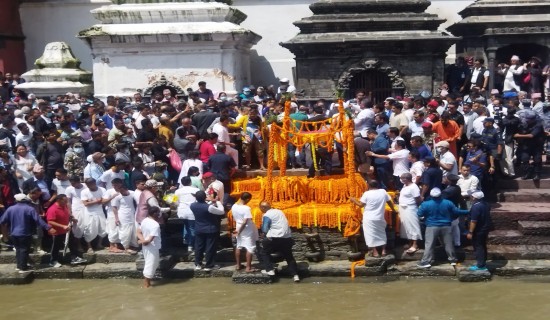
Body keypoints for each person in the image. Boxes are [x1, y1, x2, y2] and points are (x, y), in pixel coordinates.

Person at [0, 194, 56, 273]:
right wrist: (48, 227)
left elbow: (2, 221)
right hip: (24, 233)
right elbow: (38, 220)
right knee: (24, 249)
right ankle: (23, 268)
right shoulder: (30, 209)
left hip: (13, 234)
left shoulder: (10, 209)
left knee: (18, 250)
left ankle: (19, 266)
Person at [416, 188, 469, 268]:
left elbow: (419, 214)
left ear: (431, 196)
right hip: (446, 226)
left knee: (429, 244)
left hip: (431, 226)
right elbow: (456, 211)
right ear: (440, 195)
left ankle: (426, 261)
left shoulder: (425, 204)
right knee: (448, 244)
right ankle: (453, 260)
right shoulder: (448, 203)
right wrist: (468, 211)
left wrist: (426, 217)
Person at [350, 180, 396, 257]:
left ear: (368, 185)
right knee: (382, 233)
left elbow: (361, 205)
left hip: (369, 218)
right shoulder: (383, 191)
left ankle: (375, 252)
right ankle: (384, 251)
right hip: (379, 217)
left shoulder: (366, 194)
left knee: (370, 234)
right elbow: (389, 202)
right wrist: (393, 209)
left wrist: (353, 200)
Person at [258, 201, 300, 282]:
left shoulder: (267, 215)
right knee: (289, 256)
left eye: (260, 208)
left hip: (274, 238)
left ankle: (270, 270)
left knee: (264, 252)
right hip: (286, 237)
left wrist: (263, 235)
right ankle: (295, 275)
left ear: (263, 208)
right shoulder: (279, 211)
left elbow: (265, 228)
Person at [45, 194, 87, 267]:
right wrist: (62, 226)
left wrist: (72, 218)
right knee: (56, 247)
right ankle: (53, 261)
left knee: (72, 244)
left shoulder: (64, 206)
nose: (66, 202)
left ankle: (74, 258)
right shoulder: (52, 209)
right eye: (65, 201)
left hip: (67, 231)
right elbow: (50, 221)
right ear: (58, 200)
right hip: (57, 232)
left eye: (67, 201)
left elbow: (67, 215)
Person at [191, 190, 225, 271]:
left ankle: (198, 264)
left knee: (199, 247)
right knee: (210, 247)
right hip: (210, 229)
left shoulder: (192, 205)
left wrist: (210, 202)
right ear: (205, 198)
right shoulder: (208, 207)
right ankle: (209, 265)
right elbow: (221, 211)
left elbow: (204, 206)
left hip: (199, 229)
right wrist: (218, 202)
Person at [466, 190, 494, 271]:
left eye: (471, 196)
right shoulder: (486, 204)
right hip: (485, 229)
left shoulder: (476, 207)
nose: (470, 197)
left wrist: (470, 232)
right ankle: (483, 263)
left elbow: (473, 221)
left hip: (478, 230)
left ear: (474, 198)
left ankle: (480, 265)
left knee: (478, 247)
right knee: (482, 245)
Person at [231, 192, 259, 272]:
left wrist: (238, 231)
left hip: (238, 226)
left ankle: (238, 265)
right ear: (247, 199)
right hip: (246, 229)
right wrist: (239, 231)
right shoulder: (246, 208)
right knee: (249, 247)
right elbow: (245, 221)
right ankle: (248, 267)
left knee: (239, 246)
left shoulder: (234, 206)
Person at [80, 178, 107, 253]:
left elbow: (104, 201)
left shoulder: (102, 190)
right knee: (89, 229)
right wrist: (97, 201)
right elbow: (85, 204)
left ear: (94, 183)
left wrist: (91, 202)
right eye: (87, 185)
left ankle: (99, 244)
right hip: (89, 213)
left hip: (100, 211)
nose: (89, 186)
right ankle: (89, 247)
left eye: (90, 184)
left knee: (103, 228)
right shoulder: (84, 191)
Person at [137, 206, 161, 288]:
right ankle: (146, 285)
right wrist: (142, 241)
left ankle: (148, 283)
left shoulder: (145, 220)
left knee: (150, 263)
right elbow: (149, 240)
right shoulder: (155, 225)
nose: (159, 214)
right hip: (152, 247)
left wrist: (142, 240)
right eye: (158, 212)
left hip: (146, 247)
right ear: (154, 213)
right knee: (151, 264)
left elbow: (138, 232)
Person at [398, 173, 422, 254]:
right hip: (403, 208)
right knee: (406, 226)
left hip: (410, 208)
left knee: (413, 225)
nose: (401, 180)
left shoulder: (414, 187)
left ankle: (415, 244)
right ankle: (410, 242)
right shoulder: (405, 186)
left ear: (406, 179)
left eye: (402, 178)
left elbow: (418, 199)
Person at [175, 176, 199, 252]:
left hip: (182, 210)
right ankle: (191, 244)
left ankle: (186, 239)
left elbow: (175, 202)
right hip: (192, 211)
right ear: (190, 182)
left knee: (186, 225)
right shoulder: (196, 190)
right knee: (192, 227)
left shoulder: (177, 191)